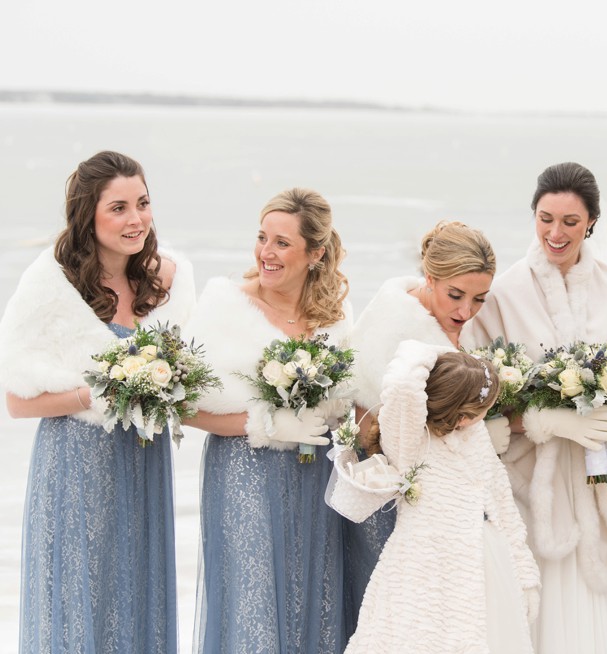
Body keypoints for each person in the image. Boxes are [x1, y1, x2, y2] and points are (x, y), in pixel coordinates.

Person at [0, 151, 194, 653]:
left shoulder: (167, 280)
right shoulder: (51, 285)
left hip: (142, 462)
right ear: (89, 214)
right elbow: (17, 401)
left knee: (137, 593)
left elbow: (191, 376)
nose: (136, 220)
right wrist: (99, 392)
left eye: (143, 204)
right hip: (75, 467)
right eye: (119, 208)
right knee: (80, 600)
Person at [464, 162, 607, 654]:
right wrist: (544, 419)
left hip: (601, 469)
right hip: (532, 476)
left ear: (591, 221)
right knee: (537, 594)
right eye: (546, 218)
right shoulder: (502, 294)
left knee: (602, 591)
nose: (556, 232)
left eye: (570, 221)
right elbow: (480, 395)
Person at [183, 188, 353, 653]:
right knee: (252, 609)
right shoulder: (224, 305)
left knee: (309, 600)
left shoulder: (334, 317)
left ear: (315, 253)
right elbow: (183, 404)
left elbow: (348, 402)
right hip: (243, 477)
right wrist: (266, 424)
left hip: (315, 480)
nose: (266, 253)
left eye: (281, 242)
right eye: (262, 238)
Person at [332, 342, 540, 653]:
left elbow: (502, 504)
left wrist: (525, 574)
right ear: (465, 415)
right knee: (422, 637)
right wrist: (445, 355)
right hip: (423, 565)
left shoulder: (475, 435)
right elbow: (402, 382)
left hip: (482, 559)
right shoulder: (410, 439)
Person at [343, 220, 495, 634]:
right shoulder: (395, 330)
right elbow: (366, 423)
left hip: (446, 502)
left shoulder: (448, 322)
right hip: (396, 500)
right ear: (430, 278)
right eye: (456, 296)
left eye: (479, 299)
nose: (466, 311)